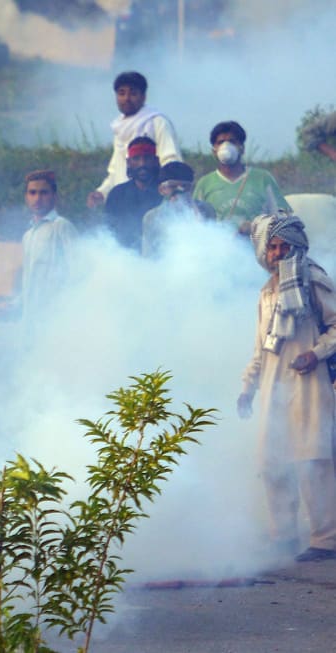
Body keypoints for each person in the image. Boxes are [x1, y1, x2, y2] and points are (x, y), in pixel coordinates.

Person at [238, 213, 336, 563]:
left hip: (309, 384)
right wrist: (248, 386)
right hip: (272, 388)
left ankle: (326, 539)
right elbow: (261, 345)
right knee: (273, 461)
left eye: (284, 246)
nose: (278, 253)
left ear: (297, 246)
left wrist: (315, 353)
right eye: (273, 247)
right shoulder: (267, 290)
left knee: (313, 460)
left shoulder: (313, 280)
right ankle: (283, 536)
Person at [87, 71, 181, 208]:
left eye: (133, 93)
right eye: (121, 93)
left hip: (153, 198)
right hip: (124, 200)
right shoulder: (119, 127)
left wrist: (170, 192)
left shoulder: (157, 122)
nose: (127, 98)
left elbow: (171, 161)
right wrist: (102, 192)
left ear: (143, 97)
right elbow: (115, 171)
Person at [193, 120, 290, 235]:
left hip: (256, 251)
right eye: (220, 142)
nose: (226, 146)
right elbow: (195, 224)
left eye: (232, 141)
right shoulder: (205, 183)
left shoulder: (263, 178)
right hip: (218, 251)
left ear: (242, 148)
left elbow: (283, 218)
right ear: (214, 151)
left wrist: (257, 227)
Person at [20, 170, 76, 318]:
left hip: (55, 314)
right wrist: (16, 304)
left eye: (43, 193)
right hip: (31, 314)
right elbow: (28, 280)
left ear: (54, 197)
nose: (37, 198)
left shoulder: (62, 226)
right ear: (26, 197)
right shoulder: (28, 236)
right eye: (32, 193)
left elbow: (78, 271)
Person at [141, 161, 216, 257]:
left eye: (184, 186)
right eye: (173, 187)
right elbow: (148, 255)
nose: (179, 191)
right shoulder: (152, 217)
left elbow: (212, 247)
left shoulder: (205, 210)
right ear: (161, 190)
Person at [102, 136, 161, 251]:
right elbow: (109, 232)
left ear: (156, 161)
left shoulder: (165, 193)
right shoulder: (117, 195)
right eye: (136, 159)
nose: (142, 164)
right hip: (126, 260)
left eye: (147, 158)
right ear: (129, 163)